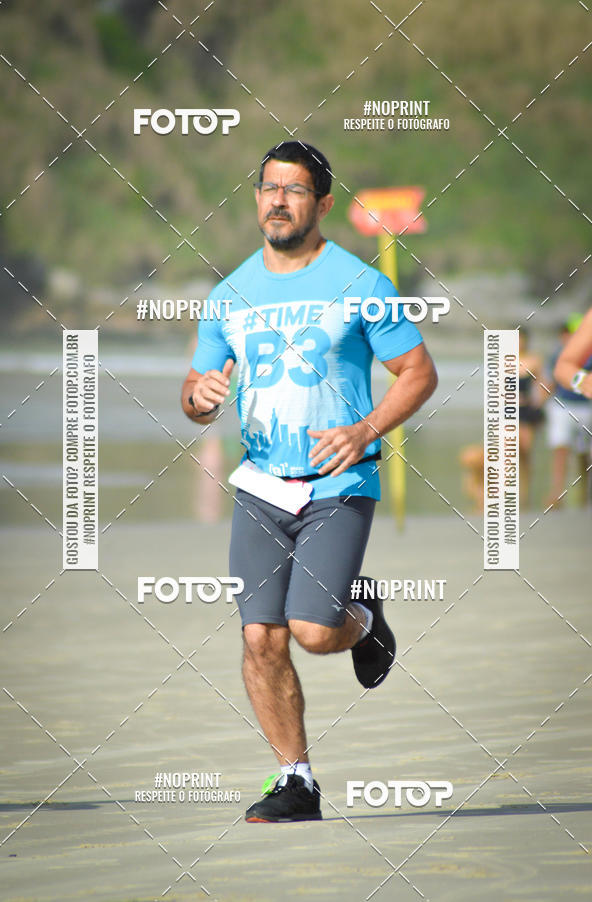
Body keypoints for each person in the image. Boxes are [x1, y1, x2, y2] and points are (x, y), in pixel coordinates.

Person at [181, 142, 437, 823]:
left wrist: (364, 430)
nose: (278, 200)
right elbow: (194, 390)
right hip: (262, 484)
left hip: (339, 479)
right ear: (256, 196)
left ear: (322, 205)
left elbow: (418, 373)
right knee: (261, 637)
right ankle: (296, 781)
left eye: (294, 191)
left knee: (313, 632)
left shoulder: (361, 285)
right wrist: (200, 396)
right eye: (269, 188)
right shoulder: (229, 293)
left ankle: (363, 620)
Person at [545, 317, 592, 508]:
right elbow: (548, 382)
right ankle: (557, 494)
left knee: (584, 454)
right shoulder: (557, 355)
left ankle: (584, 494)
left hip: (587, 407)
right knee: (560, 449)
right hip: (562, 406)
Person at [518, 328, 545, 508]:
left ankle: (524, 496)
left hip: (527, 412)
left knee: (526, 453)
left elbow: (543, 385)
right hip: (507, 411)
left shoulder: (534, 360)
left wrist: (538, 403)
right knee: (508, 453)